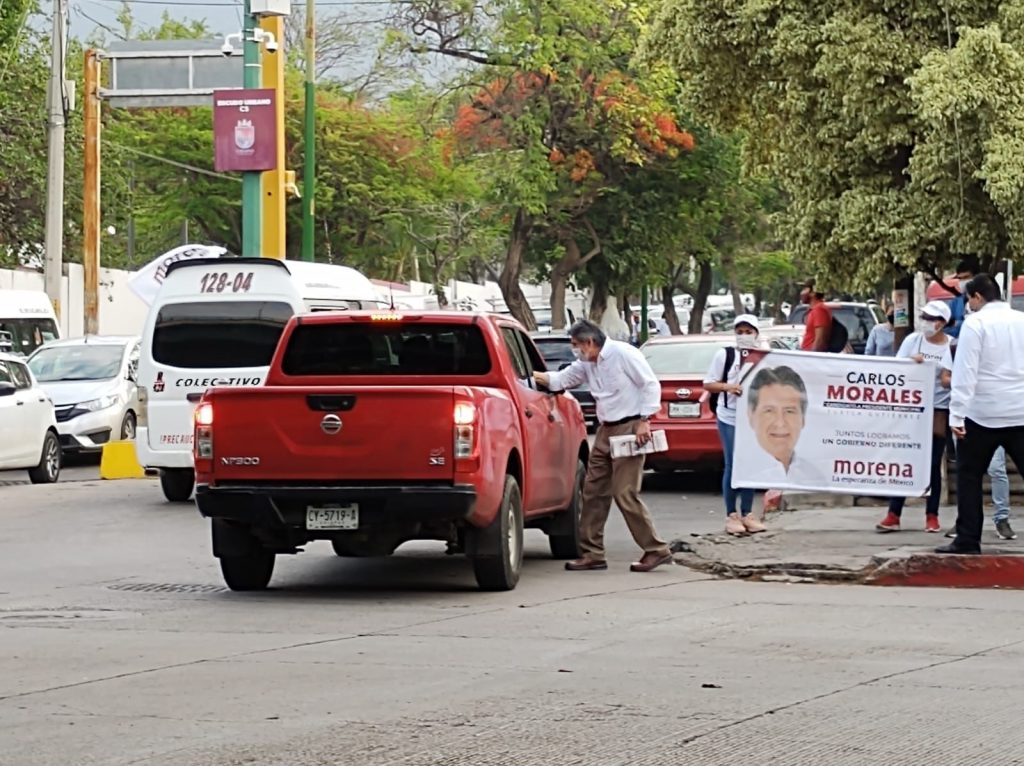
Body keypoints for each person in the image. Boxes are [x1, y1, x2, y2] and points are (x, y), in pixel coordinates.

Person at [533, 319, 673, 572]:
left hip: (630, 428)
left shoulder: (623, 353)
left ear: (589, 342)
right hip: (605, 430)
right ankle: (592, 552)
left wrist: (645, 421)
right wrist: (527, 375)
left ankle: (656, 549)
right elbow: (561, 380)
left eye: (576, 345)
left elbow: (650, 384)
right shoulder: (588, 362)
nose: (575, 350)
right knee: (593, 491)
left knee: (624, 492)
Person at [939, 274, 1024, 555]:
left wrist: (956, 416)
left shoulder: (976, 324)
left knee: (970, 477)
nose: (969, 306)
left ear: (977, 297)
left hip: (982, 415)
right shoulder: (1021, 320)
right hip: (1020, 412)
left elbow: (965, 374)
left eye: (969, 300)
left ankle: (968, 539)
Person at [875, 301, 953, 534]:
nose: (927, 322)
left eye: (932, 319)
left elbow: (952, 379)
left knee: (932, 464)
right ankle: (893, 514)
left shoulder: (951, 346)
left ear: (942, 323)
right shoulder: (912, 341)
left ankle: (932, 515)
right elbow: (896, 370)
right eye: (925, 317)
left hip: (938, 410)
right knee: (904, 460)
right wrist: (912, 363)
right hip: (911, 410)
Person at [704, 315, 766, 536]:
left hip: (753, 418)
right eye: (739, 332)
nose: (744, 336)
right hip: (729, 416)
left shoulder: (764, 356)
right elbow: (709, 384)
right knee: (733, 464)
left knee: (749, 465)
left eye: (748, 332)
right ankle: (731, 515)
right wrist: (729, 387)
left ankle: (747, 513)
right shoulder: (725, 354)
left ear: (757, 334)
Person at [741, 365, 827, 486]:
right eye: (769, 411)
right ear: (751, 416)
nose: (780, 423)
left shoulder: (816, 477)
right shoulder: (744, 475)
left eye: (789, 411)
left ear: (803, 418)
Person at [799, 279, 832, 352]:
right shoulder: (815, 309)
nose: (801, 293)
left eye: (804, 289)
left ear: (813, 293)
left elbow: (820, 340)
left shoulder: (819, 309)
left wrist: (812, 358)